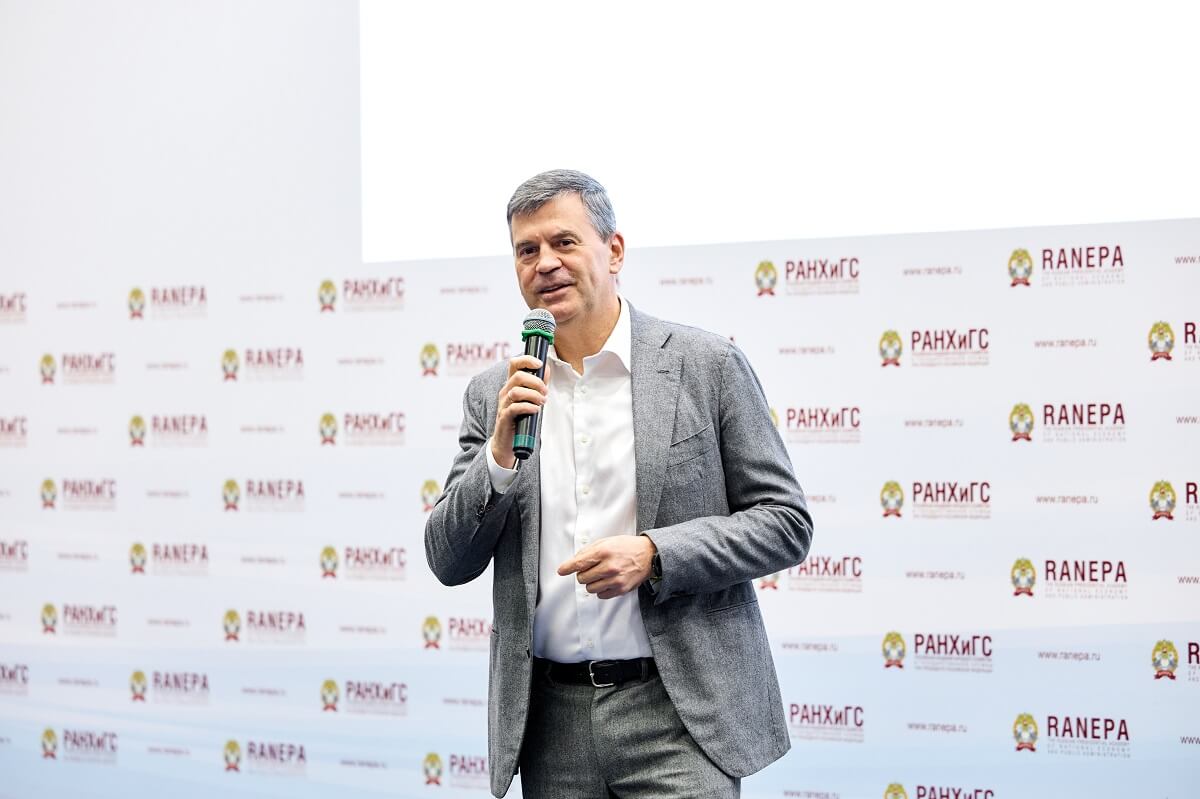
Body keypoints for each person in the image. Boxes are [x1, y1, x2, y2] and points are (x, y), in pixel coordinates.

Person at [425, 169, 812, 798]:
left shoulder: (705, 366)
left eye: (564, 242)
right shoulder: (496, 393)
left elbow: (785, 522)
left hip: (679, 714)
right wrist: (496, 458)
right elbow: (448, 560)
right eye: (527, 250)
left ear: (615, 251)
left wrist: (656, 554)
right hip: (550, 724)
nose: (545, 264)